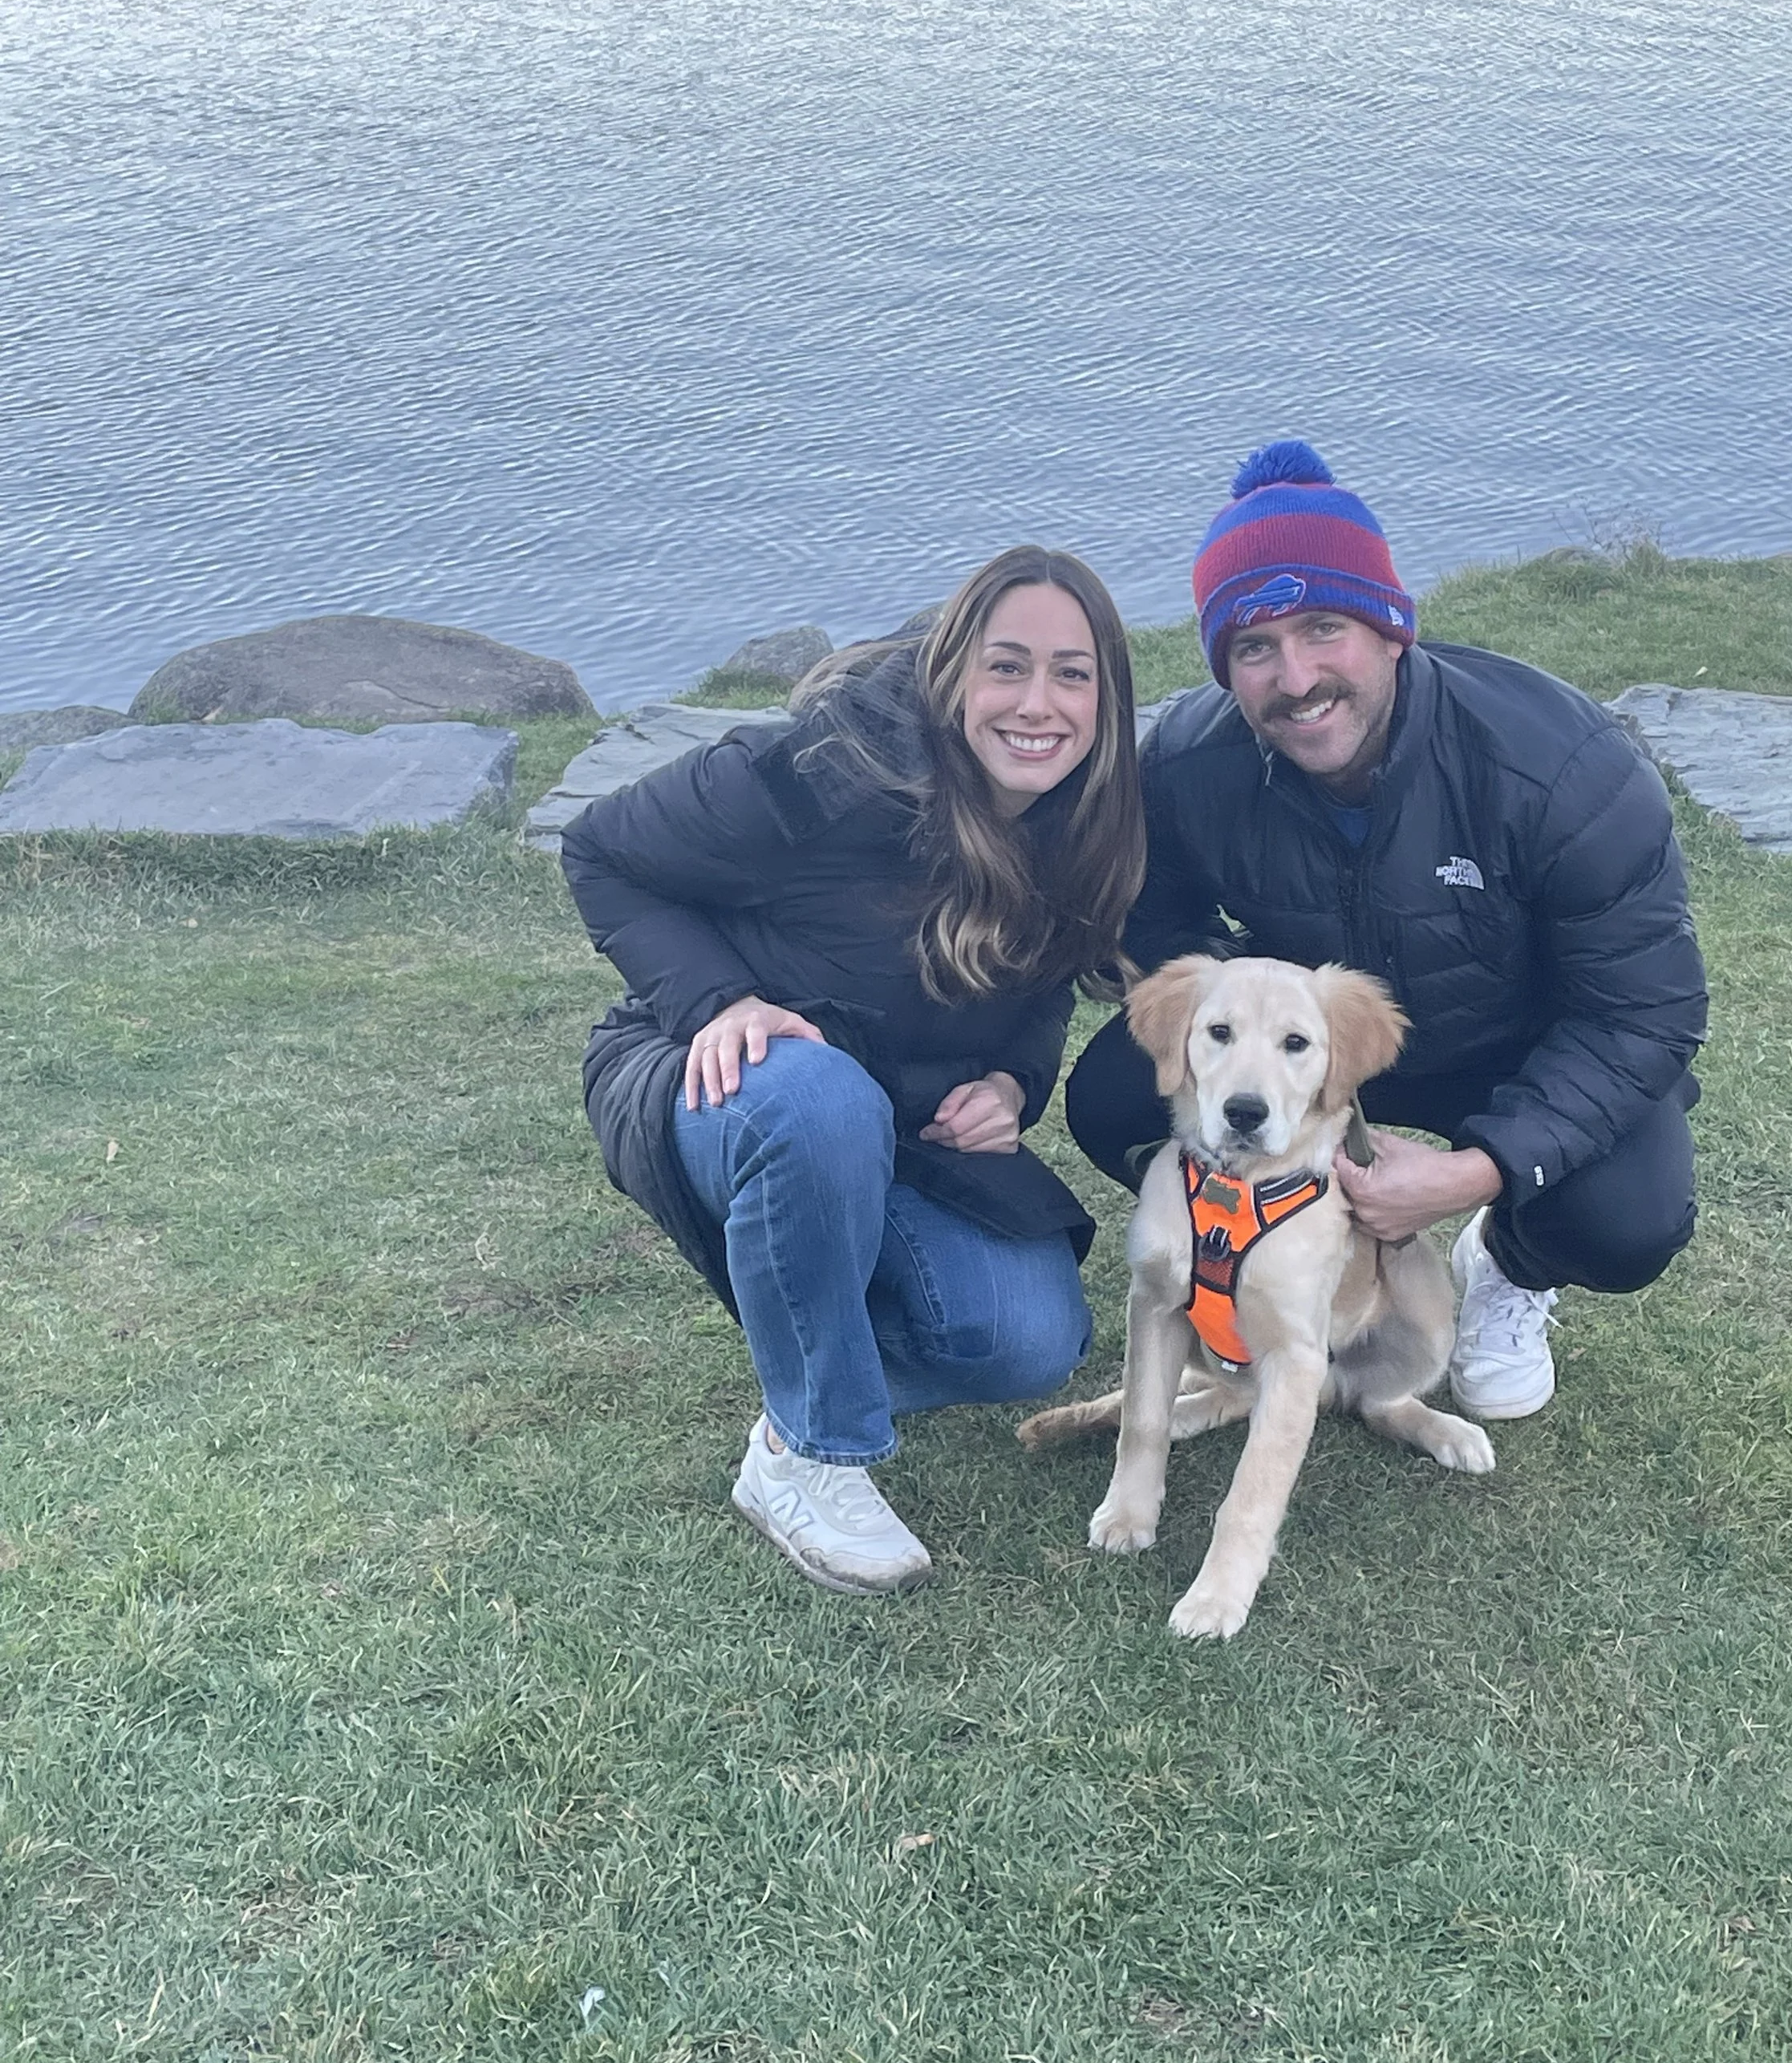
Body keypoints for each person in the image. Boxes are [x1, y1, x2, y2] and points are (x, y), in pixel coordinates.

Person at [1065, 441, 1708, 1421]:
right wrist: (1267, 1044)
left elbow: (1644, 1017)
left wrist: (1478, 1170)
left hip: (1513, 1050)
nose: (1297, 677)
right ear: (1223, 668)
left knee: (1627, 1220)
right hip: (1315, 1051)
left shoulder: (1565, 769)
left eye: (1324, 627)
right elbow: (1156, 929)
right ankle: (1255, 1250)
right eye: (1254, 647)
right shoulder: (1192, 766)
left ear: (1390, 627)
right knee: (1115, 1099)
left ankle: (1507, 1264)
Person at [562, 547, 1143, 1597]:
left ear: (1108, 695)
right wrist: (718, 1002)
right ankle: (811, 1449)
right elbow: (601, 849)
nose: (1039, 703)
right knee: (817, 1100)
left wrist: (1015, 1085)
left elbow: (1049, 978)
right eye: (1007, 666)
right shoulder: (819, 775)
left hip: (901, 1121)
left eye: (1073, 673)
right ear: (954, 671)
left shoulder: (1078, 816)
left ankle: (808, 1333)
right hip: (723, 1072)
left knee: (1031, 1341)